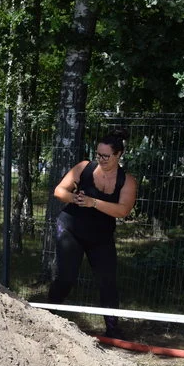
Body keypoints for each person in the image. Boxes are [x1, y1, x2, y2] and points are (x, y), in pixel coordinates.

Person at [48, 128, 138, 339]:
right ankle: (46, 315)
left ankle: (113, 329)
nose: (101, 159)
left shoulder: (127, 181)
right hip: (70, 229)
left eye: (106, 156)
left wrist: (94, 203)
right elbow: (59, 191)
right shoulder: (84, 167)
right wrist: (74, 199)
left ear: (118, 155)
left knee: (108, 281)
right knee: (66, 277)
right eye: (98, 154)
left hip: (101, 236)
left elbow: (123, 210)